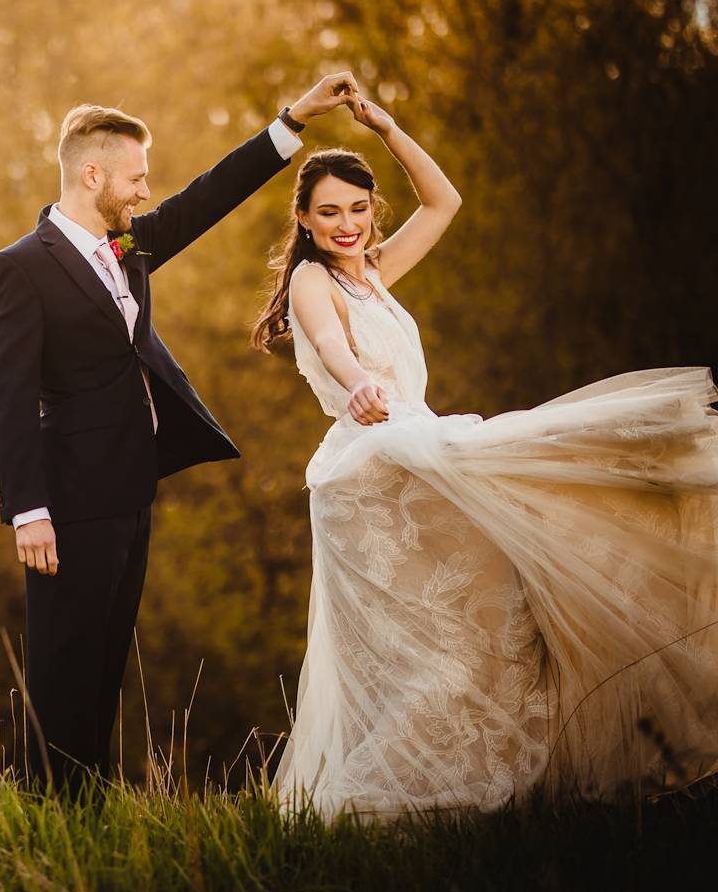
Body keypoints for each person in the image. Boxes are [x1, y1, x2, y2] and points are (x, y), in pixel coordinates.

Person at [252, 95, 718, 819]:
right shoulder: (314, 278)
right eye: (329, 213)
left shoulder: (371, 270)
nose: (345, 226)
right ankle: (388, 796)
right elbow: (335, 346)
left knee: (484, 614)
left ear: (372, 211)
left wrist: (388, 128)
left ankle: (477, 781)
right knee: (442, 630)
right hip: (368, 465)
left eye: (357, 210)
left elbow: (444, 202)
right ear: (305, 220)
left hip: (409, 442)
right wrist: (358, 384)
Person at [0, 73, 362, 797]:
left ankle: (82, 808)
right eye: (134, 177)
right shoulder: (21, 268)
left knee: (105, 662)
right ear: (91, 173)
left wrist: (292, 122)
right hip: (65, 504)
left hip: (130, 489)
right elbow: (6, 398)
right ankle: (43, 810)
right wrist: (28, 509)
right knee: (63, 663)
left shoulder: (131, 247)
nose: (144, 192)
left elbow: (208, 196)